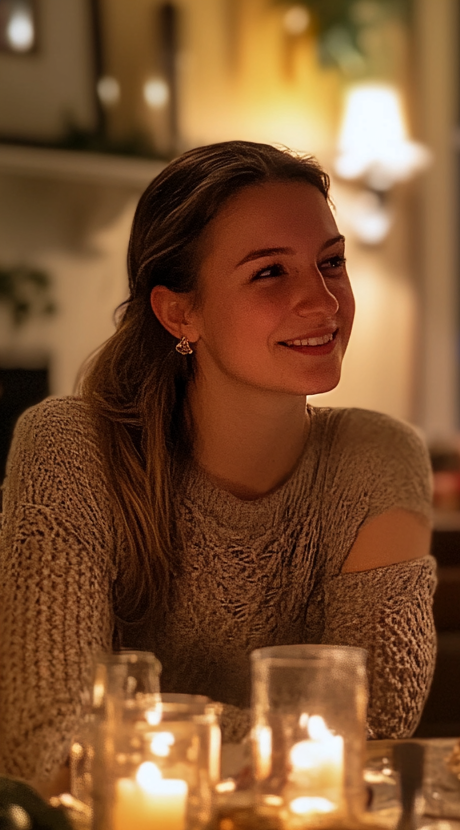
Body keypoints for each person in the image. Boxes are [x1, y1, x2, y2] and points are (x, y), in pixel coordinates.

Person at [0, 142, 436, 789]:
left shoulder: (380, 459)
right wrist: (292, 731)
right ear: (180, 311)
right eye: (269, 273)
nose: (323, 301)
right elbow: (47, 742)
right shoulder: (70, 446)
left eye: (331, 263)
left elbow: (371, 737)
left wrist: (135, 721)